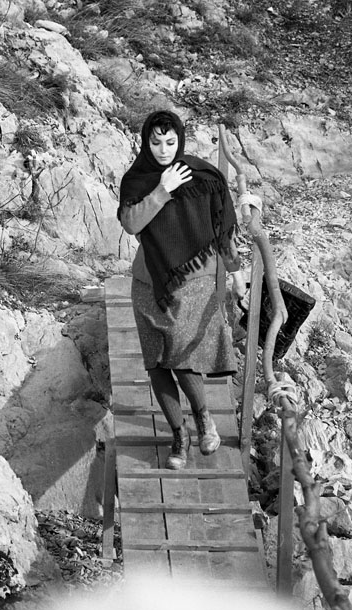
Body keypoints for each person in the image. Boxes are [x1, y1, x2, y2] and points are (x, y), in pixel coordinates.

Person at [117, 110, 246, 470]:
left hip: (193, 281)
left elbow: (221, 230)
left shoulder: (202, 177)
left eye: (170, 142)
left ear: (180, 141)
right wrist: (162, 190)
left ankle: (203, 418)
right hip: (149, 282)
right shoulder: (138, 179)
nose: (163, 150)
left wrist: (236, 273)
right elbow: (132, 224)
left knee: (181, 355)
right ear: (146, 143)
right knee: (157, 363)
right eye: (156, 142)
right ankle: (180, 435)